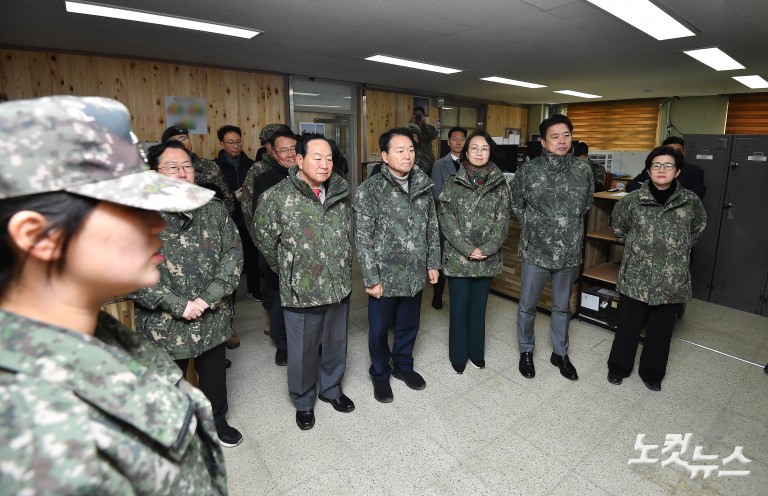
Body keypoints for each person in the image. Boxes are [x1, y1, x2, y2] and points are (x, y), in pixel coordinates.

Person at [0, 95, 227, 493]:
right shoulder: (32, 433)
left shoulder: (96, 337)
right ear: (38, 236)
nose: (157, 223)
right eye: (129, 207)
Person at [130, 140, 244, 447]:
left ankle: (217, 422)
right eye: (172, 167)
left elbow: (233, 254)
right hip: (164, 323)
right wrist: (178, 305)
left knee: (214, 376)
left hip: (211, 314)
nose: (182, 174)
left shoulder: (213, 208)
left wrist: (208, 298)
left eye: (187, 166)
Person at [254, 134, 354, 431]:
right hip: (302, 290)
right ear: (299, 160)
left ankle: (331, 389)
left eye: (329, 158)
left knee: (336, 344)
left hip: (338, 286)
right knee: (302, 352)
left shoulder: (340, 190)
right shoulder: (277, 197)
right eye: (317, 158)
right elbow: (263, 238)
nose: (325, 164)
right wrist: (288, 268)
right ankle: (303, 400)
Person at [607, 146, 706, 391]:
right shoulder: (632, 200)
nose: (662, 170)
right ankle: (618, 368)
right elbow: (618, 228)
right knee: (628, 326)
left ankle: (652, 373)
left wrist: (673, 250)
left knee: (661, 330)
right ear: (649, 171)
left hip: (671, 278)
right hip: (636, 275)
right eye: (656, 165)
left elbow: (696, 230)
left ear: (678, 171)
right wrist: (640, 249)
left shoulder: (690, 201)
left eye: (668, 165)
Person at [354, 128, 441, 403]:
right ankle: (380, 373)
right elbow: (363, 238)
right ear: (385, 156)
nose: (407, 156)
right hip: (384, 276)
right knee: (379, 330)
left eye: (411, 150)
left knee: (408, 325)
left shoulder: (423, 184)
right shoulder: (370, 190)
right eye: (400, 150)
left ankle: (403, 365)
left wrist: (433, 263)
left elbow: (432, 228)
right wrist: (371, 278)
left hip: (414, 272)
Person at [510, 114, 594, 381]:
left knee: (561, 306)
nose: (561, 141)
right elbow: (515, 201)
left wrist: (566, 226)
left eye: (566, 135)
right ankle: (526, 350)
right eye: (555, 137)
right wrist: (532, 224)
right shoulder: (529, 170)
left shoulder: (583, 170)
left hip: (568, 250)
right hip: (535, 249)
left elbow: (586, 205)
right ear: (544, 143)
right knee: (528, 305)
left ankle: (560, 353)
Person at [438, 130, 510, 373]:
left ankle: (476, 352)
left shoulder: (500, 184)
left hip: (486, 259)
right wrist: (468, 249)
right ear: (466, 153)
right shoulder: (453, 182)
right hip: (458, 259)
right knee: (459, 309)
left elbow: (503, 221)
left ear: (490, 152)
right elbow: (446, 219)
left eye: (484, 148)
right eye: (474, 148)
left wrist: (487, 249)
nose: (479, 153)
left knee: (479, 309)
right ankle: (458, 355)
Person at [244, 128, 298, 366]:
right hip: (275, 254)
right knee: (278, 301)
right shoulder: (264, 180)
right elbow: (256, 218)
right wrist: (268, 254)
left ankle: (306, 342)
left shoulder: (310, 176)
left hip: (305, 255)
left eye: (294, 148)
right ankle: (282, 345)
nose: (290, 154)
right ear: (274, 153)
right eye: (284, 150)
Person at [214, 124, 262, 300]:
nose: (235, 146)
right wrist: (232, 195)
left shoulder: (252, 165)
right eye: (231, 142)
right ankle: (229, 297)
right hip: (227, 219)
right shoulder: (215, 167)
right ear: (222, 144)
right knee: (229, 260)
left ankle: (254, 290)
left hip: (247, 218)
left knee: (252, 257)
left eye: (238, 142)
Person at [431, 126, 467, 309]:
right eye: (455, 138)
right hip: (446, 218)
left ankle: (459, 297)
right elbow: (437, 193)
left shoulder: (471, 162)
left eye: (462, 138)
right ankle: (437, 295)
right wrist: (462, 201)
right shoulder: (439, 165)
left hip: (467, 222)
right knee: (442, 257)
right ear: (449, 142)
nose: (458, 142)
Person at [162, 123, 235, 215]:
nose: (179, 143)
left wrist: (219, 219)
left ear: (190, 141)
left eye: (183, 138)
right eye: (172, 140)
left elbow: (228, 199)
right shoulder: (161, 171)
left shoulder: (210, 166)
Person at [625, 136, 706, 200]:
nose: (674, 154)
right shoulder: (654, 168)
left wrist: (668, 196)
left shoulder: (695, 171)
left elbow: (698, 194)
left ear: (684, 153)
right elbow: (631, 185)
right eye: (670, 151)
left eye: (678, 151)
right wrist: (654, 194)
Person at [410, 105, 439, 177]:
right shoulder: (410, 128)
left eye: (419, 114)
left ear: (423, 115)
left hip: (427, 160)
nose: (418, 116)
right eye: (416, 114)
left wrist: (426, 124)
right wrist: (411, 122)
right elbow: (403, 135)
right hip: (413, 160)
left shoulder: (427, 128)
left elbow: (434, 136)